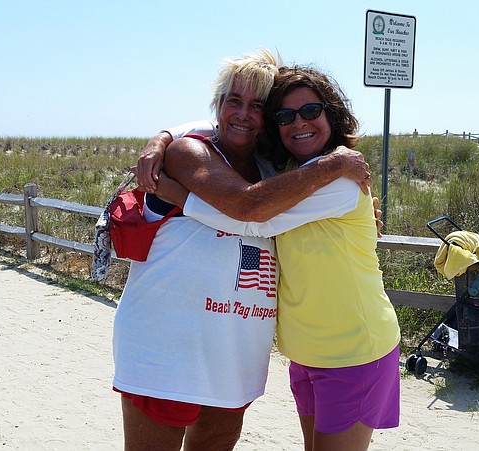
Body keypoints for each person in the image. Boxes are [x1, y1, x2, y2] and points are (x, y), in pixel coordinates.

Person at [112, 50, 372, 451]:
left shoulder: (273, 169)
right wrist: (164, 138)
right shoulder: (189, 152)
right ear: (218, 104)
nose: (243, 113)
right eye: (234, 100)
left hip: (235, 354)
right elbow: (247, 207)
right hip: (169, 348)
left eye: (258, 106)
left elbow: (272, 210)